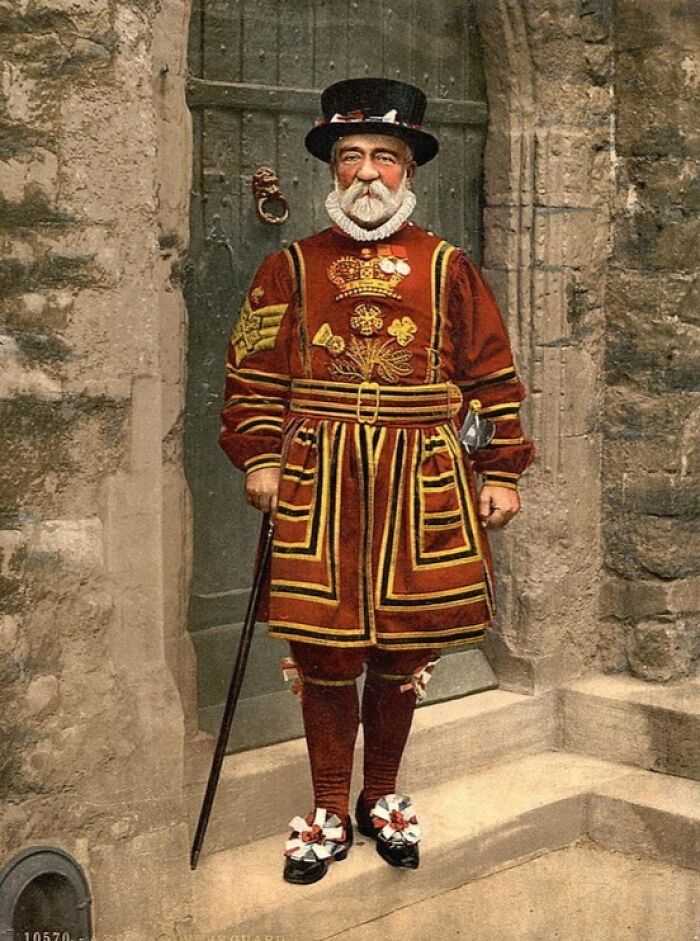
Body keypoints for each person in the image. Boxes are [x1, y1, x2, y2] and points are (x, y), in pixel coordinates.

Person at [219, 77, 535, 885]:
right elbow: (251, 375)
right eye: (351, 156)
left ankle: (382, 795)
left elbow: (494, 376)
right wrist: (259, 455)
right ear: (331, 169)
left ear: (410, 171)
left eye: (384, 158)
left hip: (423, 476)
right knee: (325, 649)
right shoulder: (287, 265)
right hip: (320, 479)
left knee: (402, 649)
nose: (367, 173)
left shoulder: (448, 267)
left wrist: (499, 468)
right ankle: (327, 807)